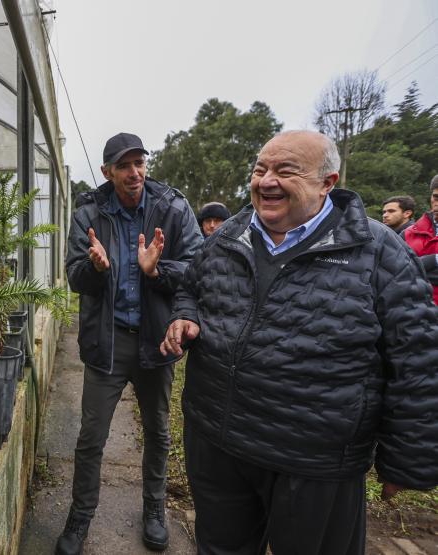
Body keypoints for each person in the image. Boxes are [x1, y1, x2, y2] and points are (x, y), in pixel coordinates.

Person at [161, 130, 438, 555]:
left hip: (314, 462)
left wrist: (407, 460)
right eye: (260, 169)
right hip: (218, 442)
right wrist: (185, 315)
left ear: (328, 182)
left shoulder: (377, 250)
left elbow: (417, 357)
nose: (266, 180)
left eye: (286, 170)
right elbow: (190, 288)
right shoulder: (227, 236)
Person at [61, 132, 202, 553]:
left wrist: (157, 271)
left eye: (140, 162)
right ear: (108, 172)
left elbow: (198, 268)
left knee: (158, 432)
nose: (134, 172)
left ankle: (154, 509)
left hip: (155, 339)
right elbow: (73, 276)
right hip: (107, 342)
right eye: (124, 165)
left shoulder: (172, 207)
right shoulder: (88, 211)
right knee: (90, 437)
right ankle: (80, 516)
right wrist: (96, 268)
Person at [403, 175, 438, 298]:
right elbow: (395, 270)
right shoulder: (408, 233)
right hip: (414, 311)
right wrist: (433, 260)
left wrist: (417, 266)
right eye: (436, 197)